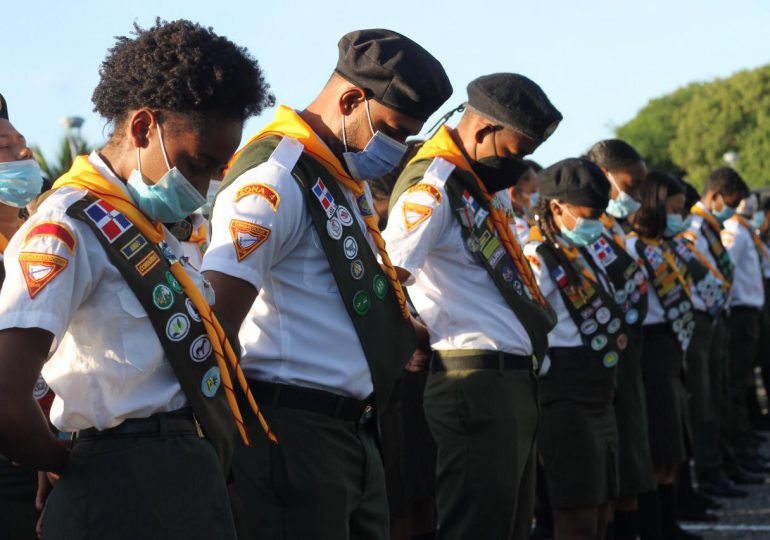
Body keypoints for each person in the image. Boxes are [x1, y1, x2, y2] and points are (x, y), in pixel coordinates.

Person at [0, 20, 274, 539]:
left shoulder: (155, 228)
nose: (206, 184)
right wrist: (69, 463)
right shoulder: (68, 225)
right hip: (121, 480)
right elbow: (6, 397)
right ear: (145, 127)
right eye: (199, 163)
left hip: (190, 470)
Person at [201, 29, 452, 540]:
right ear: (352, 99)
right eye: (393, 130)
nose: (397, 149)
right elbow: (216, 321)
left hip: (351, 430)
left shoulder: (334, 177)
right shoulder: (275, 178)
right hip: (291, 432)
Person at [384, 73, 561, 540]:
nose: (517, 165)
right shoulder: (434, 183)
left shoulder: (477, 184)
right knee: (477, 527)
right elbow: (388, 276)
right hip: (475, 381)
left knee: (509, 525)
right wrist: (409, 336)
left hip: (510, 381)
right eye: (514, 151)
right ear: (482, 131)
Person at [525, 158, 626, 540]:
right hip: (565, 391)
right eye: (589, 214)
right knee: (577, 506)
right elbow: (527, 322)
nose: (596, 223)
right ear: (556, 207)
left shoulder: (582, 251)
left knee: (602, 503)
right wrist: (548, 368)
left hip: (600, 386)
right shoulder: (536, 257)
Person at [585, 139, 654, 540]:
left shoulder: (617, 228)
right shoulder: (587, 234)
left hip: (628, 347)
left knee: (630, 452)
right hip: (600, 352)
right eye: (631, 187)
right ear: (604, 176)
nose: (637, 196)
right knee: (612, 465)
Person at [626, 171, 694, 540]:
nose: (679, 217)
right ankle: (658, 528)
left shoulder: (662, 246)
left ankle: (670, 523)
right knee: (658, 444)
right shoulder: (633, 246)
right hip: (648, 347)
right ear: (654, 205)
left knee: (672, 442)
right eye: (674, 209)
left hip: (669, 343)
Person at [0, 92, 50, 540]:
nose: (23, 152)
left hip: (49, 439)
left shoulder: (42, 236)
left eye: (22, 142)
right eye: (4, 147)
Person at [673, 182, 733, 519]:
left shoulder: (690, 233)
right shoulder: (691, 231)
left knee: (711, 395)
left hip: (705, 316)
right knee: (700, 401)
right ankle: (705, 472)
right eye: (679, 210)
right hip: (690, 321)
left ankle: (712, 469)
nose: (685, 217)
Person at [722, 185, 767, 471]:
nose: (751, 216)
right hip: (738, 314)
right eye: (748, 210)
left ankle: (744, 446)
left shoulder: (743, 231)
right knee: (737, 383)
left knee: (742, 379)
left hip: (750, 312)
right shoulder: (736, 233)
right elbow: (725, 272)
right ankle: (740, 450)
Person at [507, 159, 540, 244]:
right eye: (533, 191)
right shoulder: (519, 229)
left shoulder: (527, 220)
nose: (539, 196)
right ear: (514, 195)